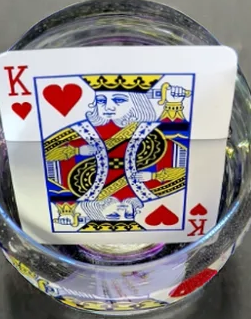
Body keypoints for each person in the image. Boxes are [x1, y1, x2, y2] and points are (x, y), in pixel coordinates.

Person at [42, 74, 190, 232]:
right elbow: (43, 157)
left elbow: (192, 163)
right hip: (95, 206)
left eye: (119, 100)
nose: (108, 107)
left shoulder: (151, 131)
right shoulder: (81, 130)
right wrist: (76, 150)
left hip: (134, 198)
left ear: (136, 103)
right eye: (101, 101)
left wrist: (174, 104)